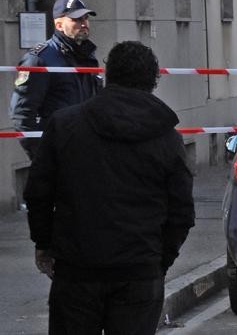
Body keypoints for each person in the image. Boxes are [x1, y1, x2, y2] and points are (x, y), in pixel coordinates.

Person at [25, 41, 194, 334]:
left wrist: (44, 244)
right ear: (153, 81)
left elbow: (39, 191)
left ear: (107, 75)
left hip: (78, 268)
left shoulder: (65, 125)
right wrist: (158, 261)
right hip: (139, 269)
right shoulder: (167, 137)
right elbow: (181, 211)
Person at [10, 0, 102, 160]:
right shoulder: (40, 59)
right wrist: (43, 157)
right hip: (58, 153)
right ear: (59, 24)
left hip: (88, 151)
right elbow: (22, 114)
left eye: (86, 18)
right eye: (76, 19)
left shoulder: (88, 56)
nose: (84, 24)